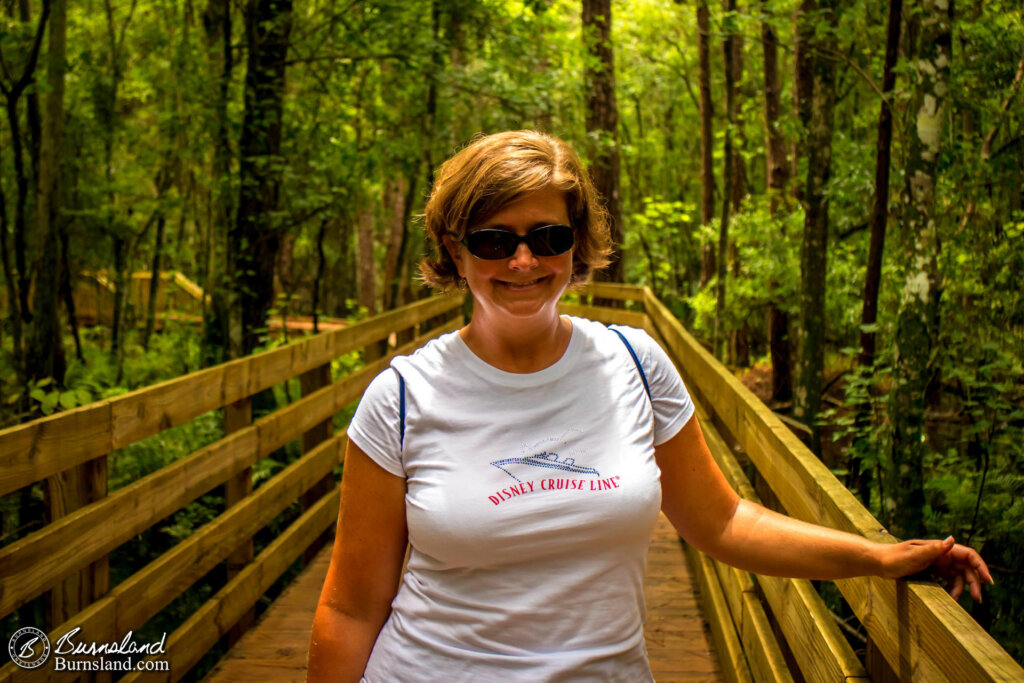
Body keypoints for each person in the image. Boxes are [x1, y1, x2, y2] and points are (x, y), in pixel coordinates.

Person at [306, 130, 991, 682]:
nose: (522, 261)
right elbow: (349, 605)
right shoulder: (400, 398)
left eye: (548, 237)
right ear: (455, 250)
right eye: (494, 240)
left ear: (577, 245)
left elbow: (723, 519)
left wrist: (873, 557)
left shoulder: (634, 363)